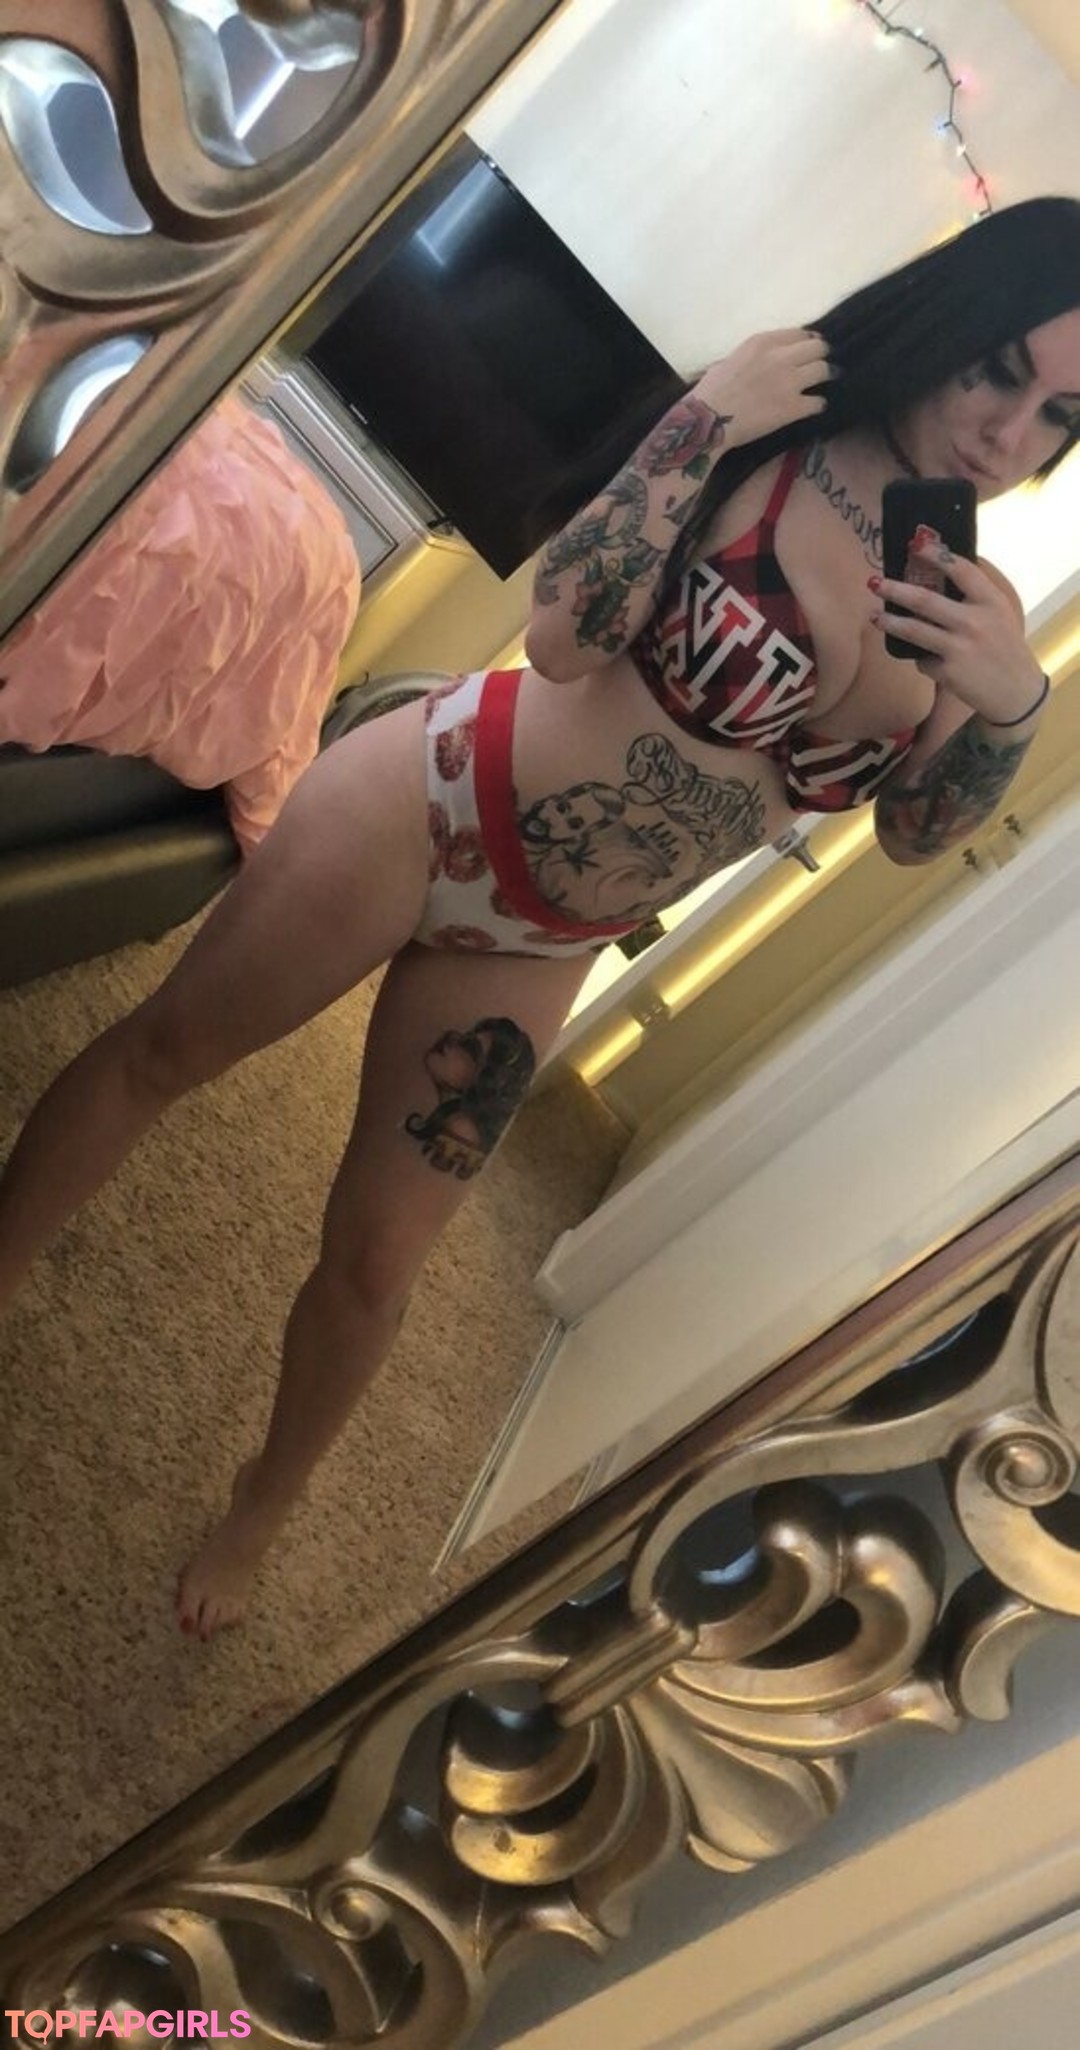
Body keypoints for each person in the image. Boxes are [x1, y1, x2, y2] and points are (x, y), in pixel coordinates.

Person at [1, 196, 1078, 1639]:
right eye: (1000, 370)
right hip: (431, 802)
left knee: (378, 1263)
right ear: (950, 321)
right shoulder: (770, 425)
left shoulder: (968, 612)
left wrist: (1012, 706)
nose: (1009, 434)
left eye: (1060, 415)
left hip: (540, 943)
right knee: (163, 1055)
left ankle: (262, 1502)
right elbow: (564, 638)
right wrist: (700, 417)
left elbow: (909, 836)